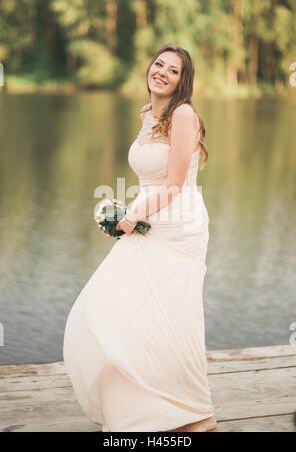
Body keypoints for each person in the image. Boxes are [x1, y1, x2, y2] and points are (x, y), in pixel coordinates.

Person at [63, 44, 217, 432]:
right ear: (149, 68)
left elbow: (175, 184)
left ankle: (198, 415)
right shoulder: (148, 114)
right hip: (151, 217)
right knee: (113, 310)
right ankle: (140, 412)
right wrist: (130, 212)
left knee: (171, 318)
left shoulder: (183, 114)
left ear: (183, 81)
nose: (163, 72)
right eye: (159, 64)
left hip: (178, 224)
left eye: (174, 70)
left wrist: (131, 214)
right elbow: (149, 176)